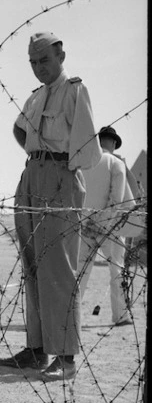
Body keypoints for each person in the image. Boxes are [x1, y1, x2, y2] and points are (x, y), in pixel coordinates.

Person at [0, 32, 101, 381]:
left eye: (45, 60)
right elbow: (19, 129)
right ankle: (38, 349)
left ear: (60, 56)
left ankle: (67, 358)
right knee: (33, 265)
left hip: (60, 178)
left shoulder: (74, 90)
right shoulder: (36, 96)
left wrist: (60, 168)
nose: (39, 68)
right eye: (33, 62)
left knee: (59, 269)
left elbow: (87, 145)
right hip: (31, 175)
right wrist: (34, 155)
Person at [77, 126, 136, 326]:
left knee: (80, 272)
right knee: (116, 271)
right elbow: (117, 199)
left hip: (83, 225)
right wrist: (105, 223)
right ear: (113, 143)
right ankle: (120, 315)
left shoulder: (83, 162)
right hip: (109, 228)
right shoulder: (115, 163)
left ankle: (71, 313)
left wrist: (86, 222)